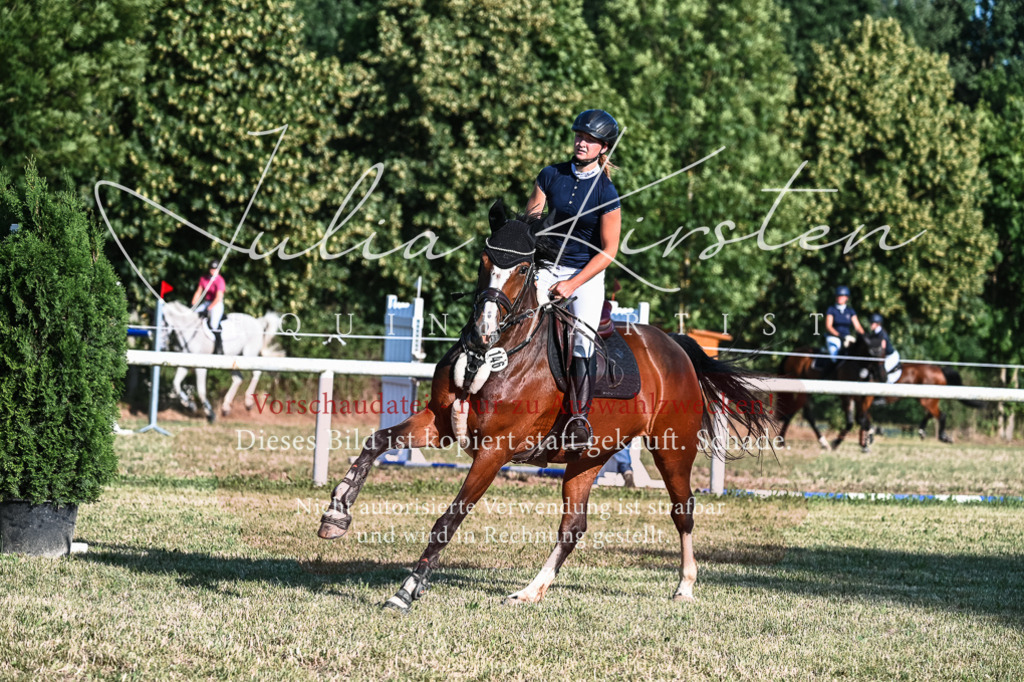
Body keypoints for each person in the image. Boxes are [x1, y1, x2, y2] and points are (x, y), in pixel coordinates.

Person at [525, 109, 622, 453]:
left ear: (603, 147)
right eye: (579, 135)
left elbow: (609, 251)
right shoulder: (550, 175)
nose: (582, 142)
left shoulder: (606, 192)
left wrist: (573, 284)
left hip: (584, 275)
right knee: (511, 316)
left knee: (581, 340)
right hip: (545, 266)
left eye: (590, 139)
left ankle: (578, 419)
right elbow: (530, 221)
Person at [191, 259, 226, 354]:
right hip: (207, 302)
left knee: (214, 324)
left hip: (216, 304)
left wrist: (208, 309)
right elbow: (199, 292)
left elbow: (218, 297)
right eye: (212, 269)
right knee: (193, 315)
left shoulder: (220, 280)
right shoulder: (204, 279)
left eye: (215, 269)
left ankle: (219, 346)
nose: (213, 271)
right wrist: (193, 304)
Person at [824, 285, 864, 359]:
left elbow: (858, 326)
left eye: (842, 296)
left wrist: (864, 336)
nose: (840, 298)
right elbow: (829, 326)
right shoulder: (831, 309)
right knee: (834, 357)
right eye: (838, 296)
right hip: (834, 338)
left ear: (846, 298)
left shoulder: (850, 311)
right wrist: (839, 335)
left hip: (847, 338)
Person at [867, 313, 901, 384]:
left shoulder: (882, 334)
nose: (870, 324)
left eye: (872, 323)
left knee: (881, 372)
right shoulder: (874, 333)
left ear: (877, 324)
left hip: (891, 357)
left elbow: (882, 349)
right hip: (884, 357)